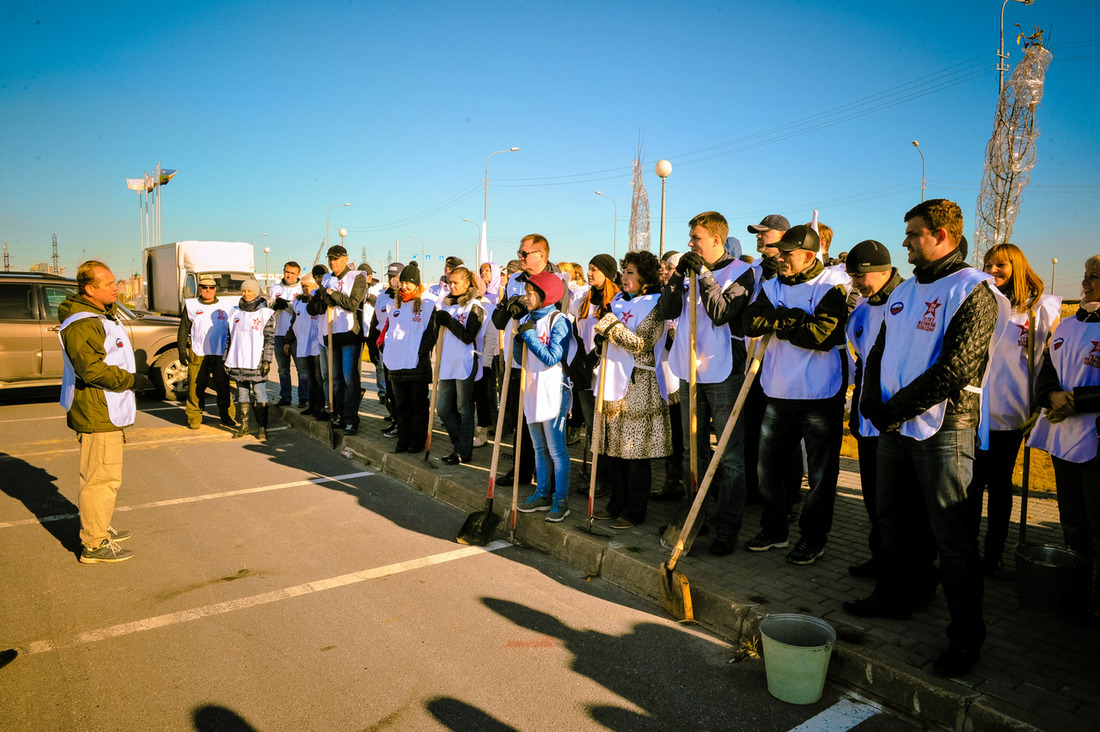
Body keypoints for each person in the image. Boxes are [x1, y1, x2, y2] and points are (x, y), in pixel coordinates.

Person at [846, 199, 999, 679]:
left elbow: (957, 368)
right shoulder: (905, 290)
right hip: (895, 426)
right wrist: (871, 399)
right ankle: (895, 595)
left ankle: (966, 635)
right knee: (894, 519)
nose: (906, 242)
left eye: (913, 234)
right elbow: (878, 349)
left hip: (945, 428)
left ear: (943, 235)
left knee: (951, 536)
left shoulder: (974, 291)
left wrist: (891, 410)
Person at [743, 224, 850, 564]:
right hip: (777, 390)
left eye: (787, 254)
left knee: (820, 475)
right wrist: (792, 318)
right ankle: (774, 529)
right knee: (768, 469)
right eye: (780, 253)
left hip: (819, 393)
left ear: (808, 255)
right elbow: (748, 323)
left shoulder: (830, 286)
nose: (780, 258)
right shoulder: (771, 285)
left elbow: (823, 335)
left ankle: (813, 537)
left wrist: (777, 322)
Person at [655, 211, 757, 556]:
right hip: (688, 368)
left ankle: (728, 525)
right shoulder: (688, 272)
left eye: (696, 239)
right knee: (690, 449)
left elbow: (721, 312)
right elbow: (667, 310)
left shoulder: (742, 271)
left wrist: (704, 274)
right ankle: (695, 513)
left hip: (723, 369)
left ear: (716, 240)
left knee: (730, 455)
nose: (690, 245)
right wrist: (676, 279)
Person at [970, 243, 1061, 575]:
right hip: (974, 410)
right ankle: (965, 551)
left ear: (1017, 267)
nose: (993, 270)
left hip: (1011, 413)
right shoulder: (981, 300)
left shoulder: (1041, 309)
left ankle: (993, 554)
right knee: (969, 486)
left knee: (999, 486)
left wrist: (1039, 405)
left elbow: (1048, 363)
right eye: (988, 264)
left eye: (1001, 265)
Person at [59, 261, 151, 563]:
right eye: (109, 283)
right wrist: (132, 380)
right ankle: (94, 544)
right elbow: (91, 370)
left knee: (105, 475)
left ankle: (98, 526)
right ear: (89, 289)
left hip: (105, 408)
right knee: (100, 477)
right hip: (98, 410)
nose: (116, 287)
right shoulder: (83, 322)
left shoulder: (98, 315)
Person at [1028, 254, 1100, 626]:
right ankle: (1075, 588)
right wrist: (1052, 396)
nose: (1086, 283)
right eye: (1086, 275)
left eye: (1094, 277)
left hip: (1095, 438)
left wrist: (1081, 401)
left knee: (1097, 521)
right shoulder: (1068, 326)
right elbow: (1047, 374)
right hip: (1063, 434)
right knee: (1072, 519)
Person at [591, 250, 671, 529]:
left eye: (630, 273)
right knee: (613, 451)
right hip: (613, 379)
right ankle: (616, 503)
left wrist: (610, 325)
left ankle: (635, 510)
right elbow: (605, 334)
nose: (624, 278)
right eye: (623, 272)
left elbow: (642, 343)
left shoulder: (656, 304)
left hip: (640, 383)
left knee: (634, 453)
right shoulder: (617, 300)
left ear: (645, 278)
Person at [844, 240, 904, 578]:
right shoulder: (864, 308)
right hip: (866, 417)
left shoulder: (906, 300)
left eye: (859, 277)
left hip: (894, 418)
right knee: (872, 496)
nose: (855, 284)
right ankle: (879, 554)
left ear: (882, 272)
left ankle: (898, 568)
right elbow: (861, 358)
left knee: (894, 502)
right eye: (851, 276)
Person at [491, 234, 570, 487]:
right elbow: (498, 321)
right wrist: (508, 308)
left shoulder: (558, 281)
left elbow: (558, 318)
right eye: (519, 253)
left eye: (525, 254)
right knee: (521, 421)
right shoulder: (514, 280)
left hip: (545, 364)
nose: (520, 258)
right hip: (518, 359)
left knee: (547, 425)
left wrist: (528, 312)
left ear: (542, 255)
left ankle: (551, 480)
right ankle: (521, 470)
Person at [514, 271, 573, 523]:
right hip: (532, 386)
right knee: (539, 447)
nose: (525, 297)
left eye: (529, 293)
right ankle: (542, 492)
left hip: (554, 387)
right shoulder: (528, 318)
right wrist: (519, 338)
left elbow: (552, 357)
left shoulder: (559, 320)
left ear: (544, 294)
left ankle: (561, 499)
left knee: (555, 449)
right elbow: (521, 359)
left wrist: (528, 334)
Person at [569, 254, 620, 496]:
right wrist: (580, 361)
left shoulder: (618, 301)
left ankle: (608, 478)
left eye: (595, 269)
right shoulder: (583, 301)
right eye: (588, 268)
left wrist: (597, 356)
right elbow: (577, 334)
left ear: (608, 273)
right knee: (592, 426)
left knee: (606, 428)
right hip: (585, 372)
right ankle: (596, 475)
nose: (589, 273)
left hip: (606, 371)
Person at [379, 261, 438, 454]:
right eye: (402, 283)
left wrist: (420, 352)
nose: (404, 287)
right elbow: (387, 331)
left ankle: (416, 441)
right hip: (397, 365)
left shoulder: (427, 305)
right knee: (401, 405)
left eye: (408, 284)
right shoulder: (393, 305)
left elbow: (432, 333)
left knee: (418, 404)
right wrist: (384, 347)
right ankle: (402, 439)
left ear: (417, 285)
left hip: (416, 365)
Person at [308, 245, 367, 436]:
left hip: (349, 333)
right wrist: (323, 299)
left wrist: (333, 294)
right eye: (330, 259)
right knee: (336, 379)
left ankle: (351, 419)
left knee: (350, 379)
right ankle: (339, 414)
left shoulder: (356, 277)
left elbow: (352, 304)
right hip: (331, 334)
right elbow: (314, 307)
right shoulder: (327, 278)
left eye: (336, 259)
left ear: (345, 258)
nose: (333, 262)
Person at [434, 265, 487, 464]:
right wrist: (438, 320)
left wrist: (448, 321)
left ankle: (463, 451)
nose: (452, 286)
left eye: (456, 283)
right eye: (450, 283)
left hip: (465, 360)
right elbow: (439, 332)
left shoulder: (475, 306)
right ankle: (459, 444)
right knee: (443, 408)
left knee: (464, 408)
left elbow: (467, 336)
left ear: (467, 283)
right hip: (447, 361)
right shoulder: (447, 304)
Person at [177, 274, 235, 429]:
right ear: (200, 289)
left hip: (220, 353)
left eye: (211, 287)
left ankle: (227, 416)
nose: (207, 290)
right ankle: (194, 417)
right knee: (196, 386)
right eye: (204, 287)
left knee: (223, 386)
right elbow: (183, 330)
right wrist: (182, 352)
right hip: (198, 352)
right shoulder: (191, 305)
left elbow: (233, 329)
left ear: (215, 289)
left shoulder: (226, 306)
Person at [652, 250, 685, 500]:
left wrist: (672, 337)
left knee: (678, 431)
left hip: (678, 375)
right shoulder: (660, 295)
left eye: (670, 268)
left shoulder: (685, 293)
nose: (665, 271)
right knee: (667, 431)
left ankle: (681, 482)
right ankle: (671, 482)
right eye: (663, 266)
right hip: (659, 371)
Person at [225, 279, 276, 440]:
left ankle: (262, 428)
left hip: (256, 360)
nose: (246, 294)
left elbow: (269, 339)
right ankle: (244, 426)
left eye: (250, 291)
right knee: (242, 394)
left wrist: (267, 360)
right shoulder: (234, 312)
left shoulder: (265, 313)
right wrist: (226, 358)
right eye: (244, 291)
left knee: (260, 393)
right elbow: (229, 338)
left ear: (256, 292)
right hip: (238, 360)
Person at [268, 261, 308, 408]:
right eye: (287, 272)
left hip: (296, 335)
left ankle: (304, 397)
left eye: (292, 273)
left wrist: (287, 305)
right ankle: (285, 397)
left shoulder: (301, 288)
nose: (289, 275)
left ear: (298, 274)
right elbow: (269, 308)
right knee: (282, 369)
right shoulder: (275, 288)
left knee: (302, 369)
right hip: (278, 333)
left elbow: (302, 309)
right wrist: (274, 305)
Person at [285, 272, 325, 417]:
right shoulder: (298, 303)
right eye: (302, 286)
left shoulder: (318, 302)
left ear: (314, 285)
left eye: (307, 286)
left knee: (318, 377)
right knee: (309, 378)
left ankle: (320, 407)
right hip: (303, 344)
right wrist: (288, 340)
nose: (305, 289)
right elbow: (294, 322)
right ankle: (312, 405)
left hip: (316, 344)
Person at [473, 261, 502, 448]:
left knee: (487, 390)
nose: (484, 273)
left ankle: (487, 425)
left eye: (488, 270)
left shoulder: (496, 297)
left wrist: (488, 359)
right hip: (469, 356)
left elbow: (492, 334)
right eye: (481, 270)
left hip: (490, 352)